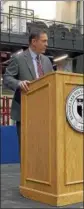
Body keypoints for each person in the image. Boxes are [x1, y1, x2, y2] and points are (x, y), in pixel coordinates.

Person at [3, 28, 53, 157]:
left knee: (43, 150)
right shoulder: (18, 58)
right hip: (25, 112)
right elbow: (7, 78)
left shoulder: (47, 61)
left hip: (44, 114)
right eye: (44, 41)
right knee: (27, 151)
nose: (47, 44)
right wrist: (19, 83)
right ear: (34, 41)